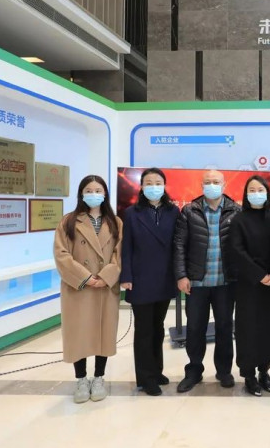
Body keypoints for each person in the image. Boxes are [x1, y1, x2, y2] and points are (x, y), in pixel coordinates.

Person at [53, 175, 123, 404]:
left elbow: (120, 254)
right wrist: (85, 277)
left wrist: (106, 276)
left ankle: (99, 377)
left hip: (105, 287)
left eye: (98, 190)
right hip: (79, 288)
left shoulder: (115, 222)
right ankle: (81, 379)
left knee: (104, 332)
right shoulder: (68, 221)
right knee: (79, 333)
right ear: (81, 194)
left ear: (105, 194)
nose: (94, 194)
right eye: (89, 190)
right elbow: (61, 255)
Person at [173, 170, 241, 392]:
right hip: (196, 283)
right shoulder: (190, 210)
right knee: (194, 328)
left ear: (224, 184)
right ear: (201, 185)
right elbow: (179, 245)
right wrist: (181, 275)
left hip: (225, 283)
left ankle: (224, 371)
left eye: (216, 182)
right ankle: (194, 371)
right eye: (208, 182)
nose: (212, 185)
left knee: (225, 328)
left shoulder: (235, 211)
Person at [120, 168, 180, 396]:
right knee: (144, 329)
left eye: (158, 182)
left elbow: (178, 244)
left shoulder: (173, 211)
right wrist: (126, 275)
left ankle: (156, 370)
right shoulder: (131, 213)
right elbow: (126, 247)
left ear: (164, 186)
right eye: (149, 182)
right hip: (141, 278)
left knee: (158, 327)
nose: (154, 186)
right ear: (141, 186)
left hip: (164, 277)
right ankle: (145, 378)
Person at [229, 176, 270, 396]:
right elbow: (237, 250)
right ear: (246, 194)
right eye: (251, 190)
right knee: (247, 328)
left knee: (268, 328)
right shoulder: (238, 220)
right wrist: (259, 274)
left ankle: (264, 371)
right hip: (248, 283)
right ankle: (249, 375)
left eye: (260, 189)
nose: (256, 193)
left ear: (267, 193)